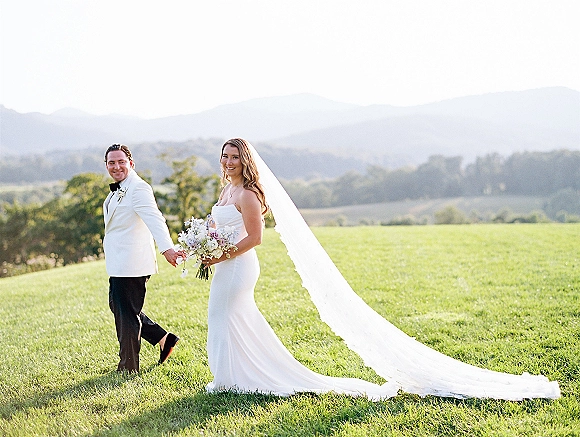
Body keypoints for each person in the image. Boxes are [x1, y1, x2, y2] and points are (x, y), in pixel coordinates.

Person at [200, 138, 560, 401]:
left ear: (245, 161)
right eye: (225, 156)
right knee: (232, 320)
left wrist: (219, 254)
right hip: (226, 263)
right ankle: (236, 376)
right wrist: (206, 241)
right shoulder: (225, 192)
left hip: (238, 266)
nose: (229, 161)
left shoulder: (247, 194)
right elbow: (224, 228)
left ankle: (234, 378)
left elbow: (256, 237)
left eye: (235, 157)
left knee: (221, 316)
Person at [103, 144, 184, 373]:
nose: (116, 166)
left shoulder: (138, 188)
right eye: (112, 162)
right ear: (106, 165)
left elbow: (155, 219)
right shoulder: (119, 188)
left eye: (121, 161)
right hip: (119, 261)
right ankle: (163, 339)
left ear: (131, 163)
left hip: (132, 262)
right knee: (120, 307)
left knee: (127, 314)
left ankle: (128, 367)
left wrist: (167, 248)